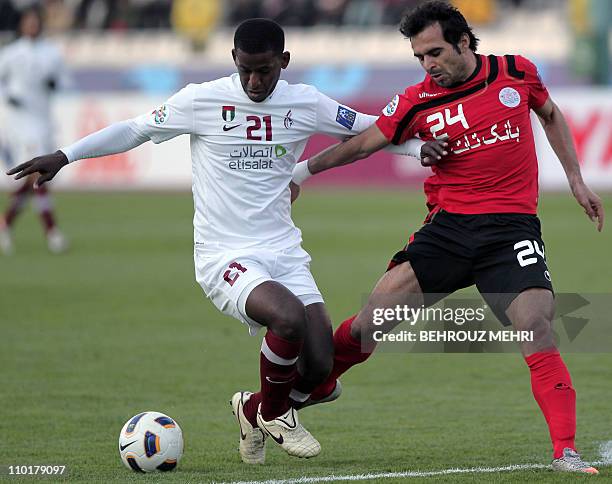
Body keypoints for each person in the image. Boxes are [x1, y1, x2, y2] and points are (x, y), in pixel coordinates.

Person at [6, 18, 438, 465]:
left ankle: (253, 409)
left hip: (284, 250)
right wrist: (65, 155)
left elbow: (371, 129)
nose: (254, 81)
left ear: (283, 62)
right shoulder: (202, 100)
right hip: (224, 254)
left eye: (265, 71)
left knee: (320, 366)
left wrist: (417, 148)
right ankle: (276, 415)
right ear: (233, 60)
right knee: (286, 318)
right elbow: (134, 129)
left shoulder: (305, 103)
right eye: (246, 69)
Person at [291, 1, 603, 475]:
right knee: (367, 326)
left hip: (512, 231)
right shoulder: (417, 99)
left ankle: (566, 452)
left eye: (434, 52)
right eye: (419, 56)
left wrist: (576, 179)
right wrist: (304, 171)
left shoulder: (516, 72)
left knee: (537, 327)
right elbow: (364, 143)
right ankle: (303, 389)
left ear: (463, 43)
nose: (427, 64)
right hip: (449, 232)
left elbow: (552, 114)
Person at [0, 6, 69, 255]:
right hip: (21, 121)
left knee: (38, 178)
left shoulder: (51, 53)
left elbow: (65, 81)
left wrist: (55, 83)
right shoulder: (10, 53)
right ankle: (52, 233)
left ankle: (5, 224)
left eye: (35, 22)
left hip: (43, 120)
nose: (31, 26)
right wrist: (9, 96)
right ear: (21, 25)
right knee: (37, 173)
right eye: (27, 22)